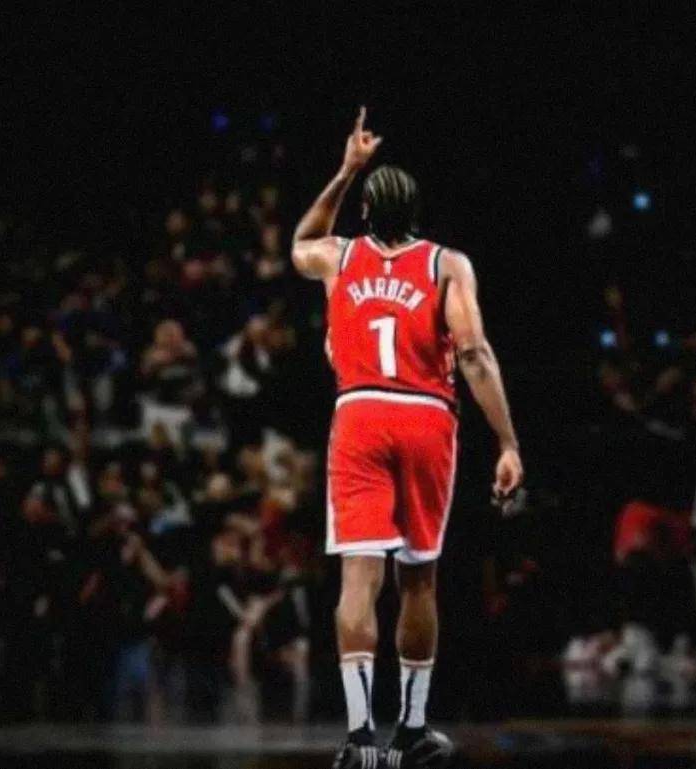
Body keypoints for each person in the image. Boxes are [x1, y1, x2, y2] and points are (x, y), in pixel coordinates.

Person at [291, 107, 524, 769]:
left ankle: (360, 737)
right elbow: (474, 353)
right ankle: (412, 728)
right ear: (417, 214)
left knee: (358, 580)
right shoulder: (447, 264)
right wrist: (507, 441)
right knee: (418, 581)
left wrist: (345, 171)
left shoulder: (339, 256)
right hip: (427, 417)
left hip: (360, 414)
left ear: (365, 212)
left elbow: (300, 240)